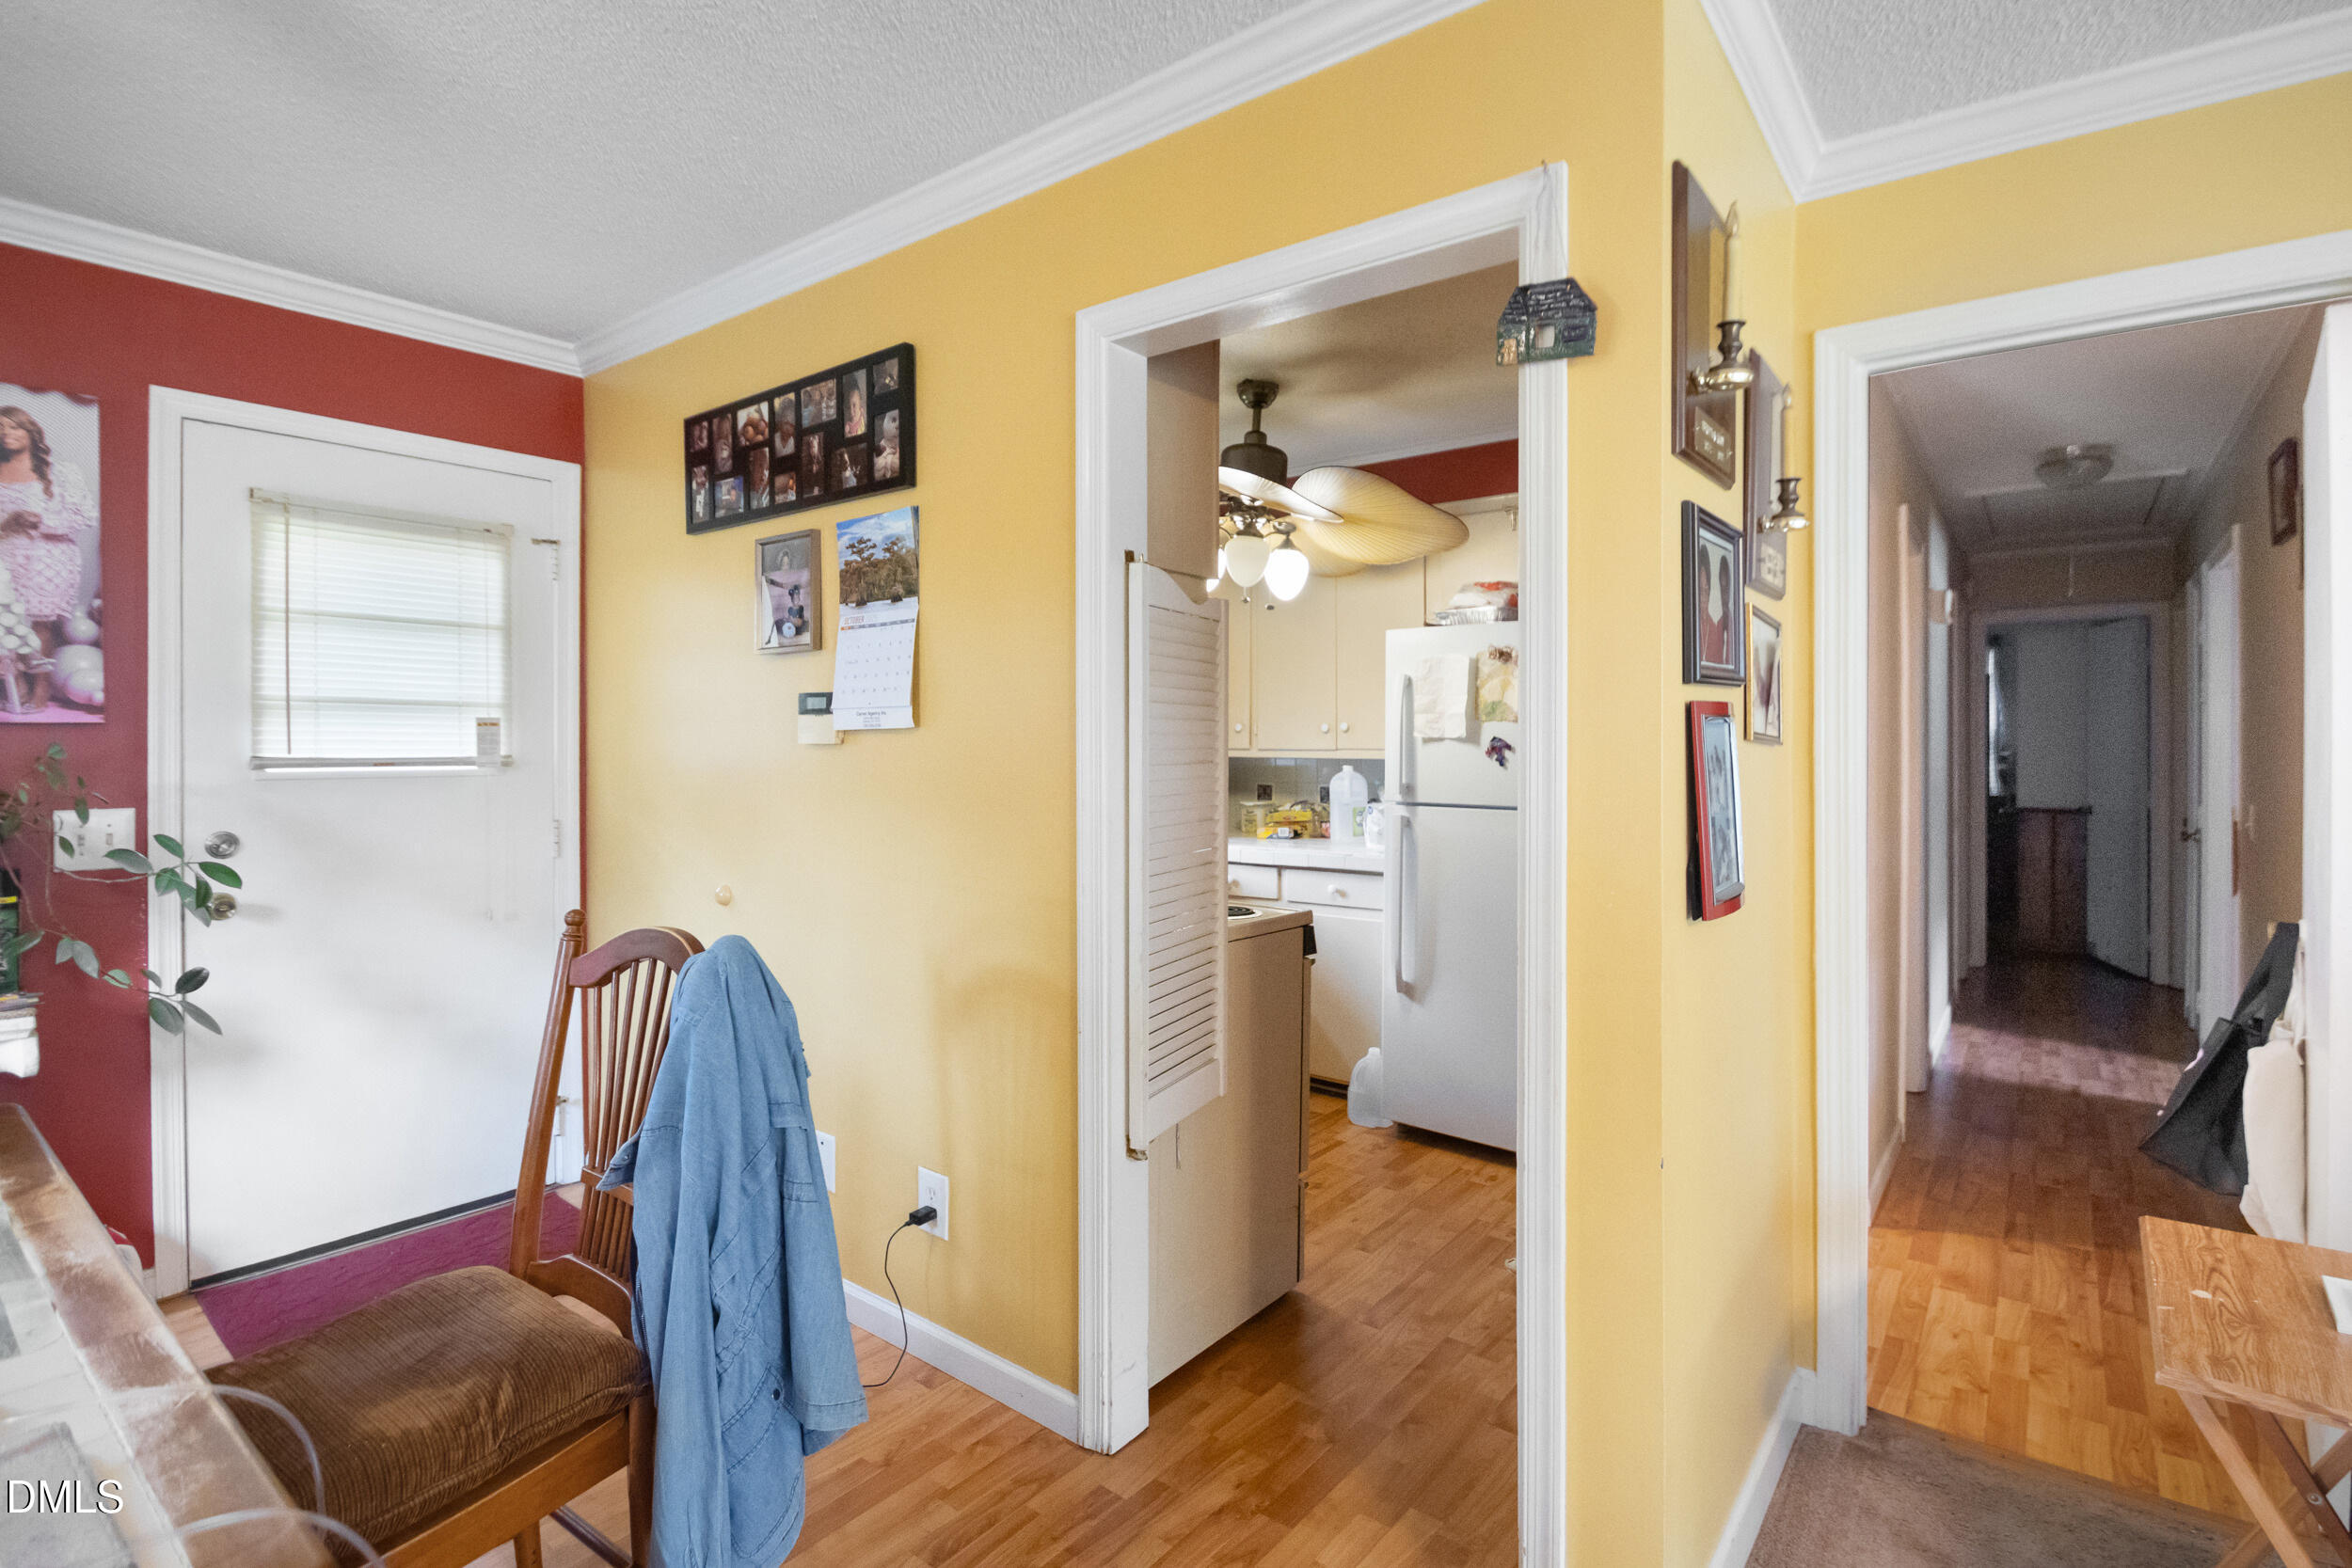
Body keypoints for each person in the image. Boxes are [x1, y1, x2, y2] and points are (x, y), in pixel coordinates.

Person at [0, 406, 96, 710]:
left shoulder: (61, 472)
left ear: (31, 432)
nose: (6, 433)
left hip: (50, 558)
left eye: (14, 427)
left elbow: (84, 516)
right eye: (1, 428)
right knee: (6, 623)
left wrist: (41, 522)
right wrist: (8, 524)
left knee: (41, 624)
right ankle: (15, 684)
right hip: (7, 556)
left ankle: (41, 687)